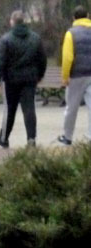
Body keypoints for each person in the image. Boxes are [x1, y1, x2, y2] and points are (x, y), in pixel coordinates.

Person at [0, 10, 47, 148]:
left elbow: (0, 62)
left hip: (11, 81)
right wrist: (40, 75)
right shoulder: (35, 38)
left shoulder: (6, 40)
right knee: (29, 109)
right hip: (29, 80)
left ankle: (4, 138)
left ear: (12, 22)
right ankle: (31, 139)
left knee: (9, 110)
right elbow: (42, 59)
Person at [57, 5, 91, 145]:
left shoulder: (70, 34)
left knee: (71, 107)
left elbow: (67, 58)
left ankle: (68, 136)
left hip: (76, 75)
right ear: (88, 16)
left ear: (73, 18)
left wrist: (65, 77)